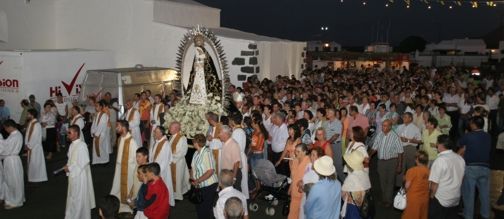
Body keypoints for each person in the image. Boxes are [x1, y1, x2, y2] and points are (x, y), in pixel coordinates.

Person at [458, 116, 491, 219]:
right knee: (484, 194)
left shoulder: (469, 135)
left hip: (471, 167)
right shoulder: (488, 136)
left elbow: (459, 144)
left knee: (469, 193)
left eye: (471, 123)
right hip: (486, 167)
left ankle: (468, 215)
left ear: (473, 124)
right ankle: (485, 214)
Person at [428, 134, 465, 219]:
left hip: (441, 199)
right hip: (455, 199)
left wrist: (431, 198)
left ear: (441, 145)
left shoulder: (440, 160)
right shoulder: (460, 159)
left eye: (437, 143)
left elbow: (434, 183)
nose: (436, 144)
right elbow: (462, 179)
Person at [369, 119, 403, 207]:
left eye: (385, 126)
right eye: (382, 125)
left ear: (390, 127)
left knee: (390, 181)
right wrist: (368, 156)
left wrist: (399, 165)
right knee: (382, 181)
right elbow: (374, 147)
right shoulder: (380, 135)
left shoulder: (395, 136)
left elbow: (400, 152)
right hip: (381, 162)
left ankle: (388, 200)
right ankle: (385, 198)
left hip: (391, 161)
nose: (382, 127)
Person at [64, 125, 96, 219]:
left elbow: (83, 162)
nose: (68, 134)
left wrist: (70, 168)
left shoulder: (82, 145)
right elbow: (71, 160)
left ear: (76, 133)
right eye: (68, 132)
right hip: (73, 175)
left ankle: (79, 216)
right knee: (72, 196)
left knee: (78, 198)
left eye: (70, 132)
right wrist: (67, 166)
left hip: (80, 176)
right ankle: (71, 215)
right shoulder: (72, 145)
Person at [110, 120, 139, 213]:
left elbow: (136, 159)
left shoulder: (132, 142)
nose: (116, 128)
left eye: (117, 126)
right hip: (119, 167)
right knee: (117, 185)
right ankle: (118, 200)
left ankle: (129, 203)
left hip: (128, 170)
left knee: (128, 187)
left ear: (123, 127)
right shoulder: (120, 138)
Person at [190, 134, 219, 219]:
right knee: (199, 206)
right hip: (199, 185)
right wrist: (192, 178)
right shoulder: (196, 153)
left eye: (194, 141)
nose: (193, 143)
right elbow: (192, 167)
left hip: (209, 185)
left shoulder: (207, 152)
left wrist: (198, 180)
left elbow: (210, 171)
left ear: (196, 142)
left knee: (205, 208)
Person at [0, 119, 25, 209]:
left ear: (10, 127)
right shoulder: (14, 135)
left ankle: (15, 201)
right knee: (11, 181)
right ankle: (13, 199)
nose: (5, 130)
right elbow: (6, 146)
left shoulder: (15, 136)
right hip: (11, 160)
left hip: (12, 161)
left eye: (6, 128)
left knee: (13, 182)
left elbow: (6, 149)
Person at [150, 125, 176, 206]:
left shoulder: (165, 144)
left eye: (156, 132)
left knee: (163, 187)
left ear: (161, 133)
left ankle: (162, 202)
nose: (154, 134)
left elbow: (165, 161)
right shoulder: (157, 141)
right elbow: (152, 155)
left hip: (162, 171)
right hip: (154, 169)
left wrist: (158, 172)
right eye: (154, 132)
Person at [341, 151, 371, 219]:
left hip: (353, 208)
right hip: (365, 205)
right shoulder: (365, 173)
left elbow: (343, 195)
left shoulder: (351, 178)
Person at [402, 150, 430, 219]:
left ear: (417, 159)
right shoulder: (429, 171)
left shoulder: (412, 170)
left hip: (413, 199)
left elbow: (407, 186)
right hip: (424, 198)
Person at [396, 112, 422, 185]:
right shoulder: (400, 126)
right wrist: (400, 138)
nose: (404, 118)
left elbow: (420, 141)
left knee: (410, 166)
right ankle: (399, 184)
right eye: (403, 117)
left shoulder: (415, 128)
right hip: (400, 147)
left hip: (410, 148)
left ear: (410, 118)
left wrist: (408, 140)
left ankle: (410, 183)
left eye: (406, 117)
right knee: (400, 165)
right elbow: (396, 137)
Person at [168, 121, 190, 200]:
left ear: (177, 129)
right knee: (175, 179)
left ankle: (178, 195)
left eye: (171, 127)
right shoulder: (171, 137)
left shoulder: (182, 138)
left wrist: (172, 158)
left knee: (178, 178)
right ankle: (174, 194)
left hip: (178, 162)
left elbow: (183, 152)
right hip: (171, 161)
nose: (169, 129)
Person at [288, 143, 311, 219]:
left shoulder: (309, 163)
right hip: (295, 192)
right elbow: (293, 176)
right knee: (292, 213)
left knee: (302, 215)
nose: (295, 153)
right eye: (295, 151)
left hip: (303, 194)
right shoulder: (295, 160)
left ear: (304, 152)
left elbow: (310, 180)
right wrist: (290, 187)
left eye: (298, 151)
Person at [229, 112, 249, 199]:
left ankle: (240, 199)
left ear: (233, 121)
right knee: (242, 181)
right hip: (240, 156)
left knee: (239, 180)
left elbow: (235, 149)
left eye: (230, 120)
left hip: (238, 158)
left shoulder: (237, 132)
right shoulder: (238, 130)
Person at [24, 108, 48, 182]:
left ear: (32, 115)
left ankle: (38, 178)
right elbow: (28, 135)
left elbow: (34, 136)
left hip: (35, 147)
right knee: (32, 163)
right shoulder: (31, 123)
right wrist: (26, 144)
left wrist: (29, 145)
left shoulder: (36, 124)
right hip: (31, 146)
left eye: (28, 114)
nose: (27, 115)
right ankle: (33, 177)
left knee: (36, 162)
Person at [299, 147, 322, 219]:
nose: (311, 157)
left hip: (313, 199)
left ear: (319, 157)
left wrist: (303, 187)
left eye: (314, 155)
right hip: (304, 196)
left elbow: (317, 186)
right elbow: (304, 178)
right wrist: (300, 182)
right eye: (311, 154)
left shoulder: (321, 170)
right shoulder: (308, 166)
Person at [323, 107, 345, 182]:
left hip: (335, 145)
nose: (327, 114)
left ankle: (345, 182)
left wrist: (326, 143)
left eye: (328, 112)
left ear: (332, 114)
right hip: (328, 145)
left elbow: (336, 136)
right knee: (329, 164)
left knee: (338, 165)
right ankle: (334, 183)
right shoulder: (325, 123)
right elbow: (324, 134)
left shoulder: (338, 123)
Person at [218, 125, 242, 192]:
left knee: (235, 194)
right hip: (227, 173)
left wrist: (234, 178)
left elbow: (236, 162)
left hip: (233, 173)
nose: (218, 135)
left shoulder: (233, 144)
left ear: (225, 134)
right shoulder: (225, 143)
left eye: (220, 133)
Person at [91, 100, 110, 164]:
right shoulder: (96, 114)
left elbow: (102, 125)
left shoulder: (104, 115)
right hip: (96, 134)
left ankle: (105, 160)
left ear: (101, 107)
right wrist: (92, 131)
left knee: (101, 147)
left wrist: (96, 134)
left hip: (101, 134)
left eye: (97, 106)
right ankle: (98, 160)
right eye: (95, 106)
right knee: (96, 148)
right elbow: (93, 124)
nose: (95, 107)